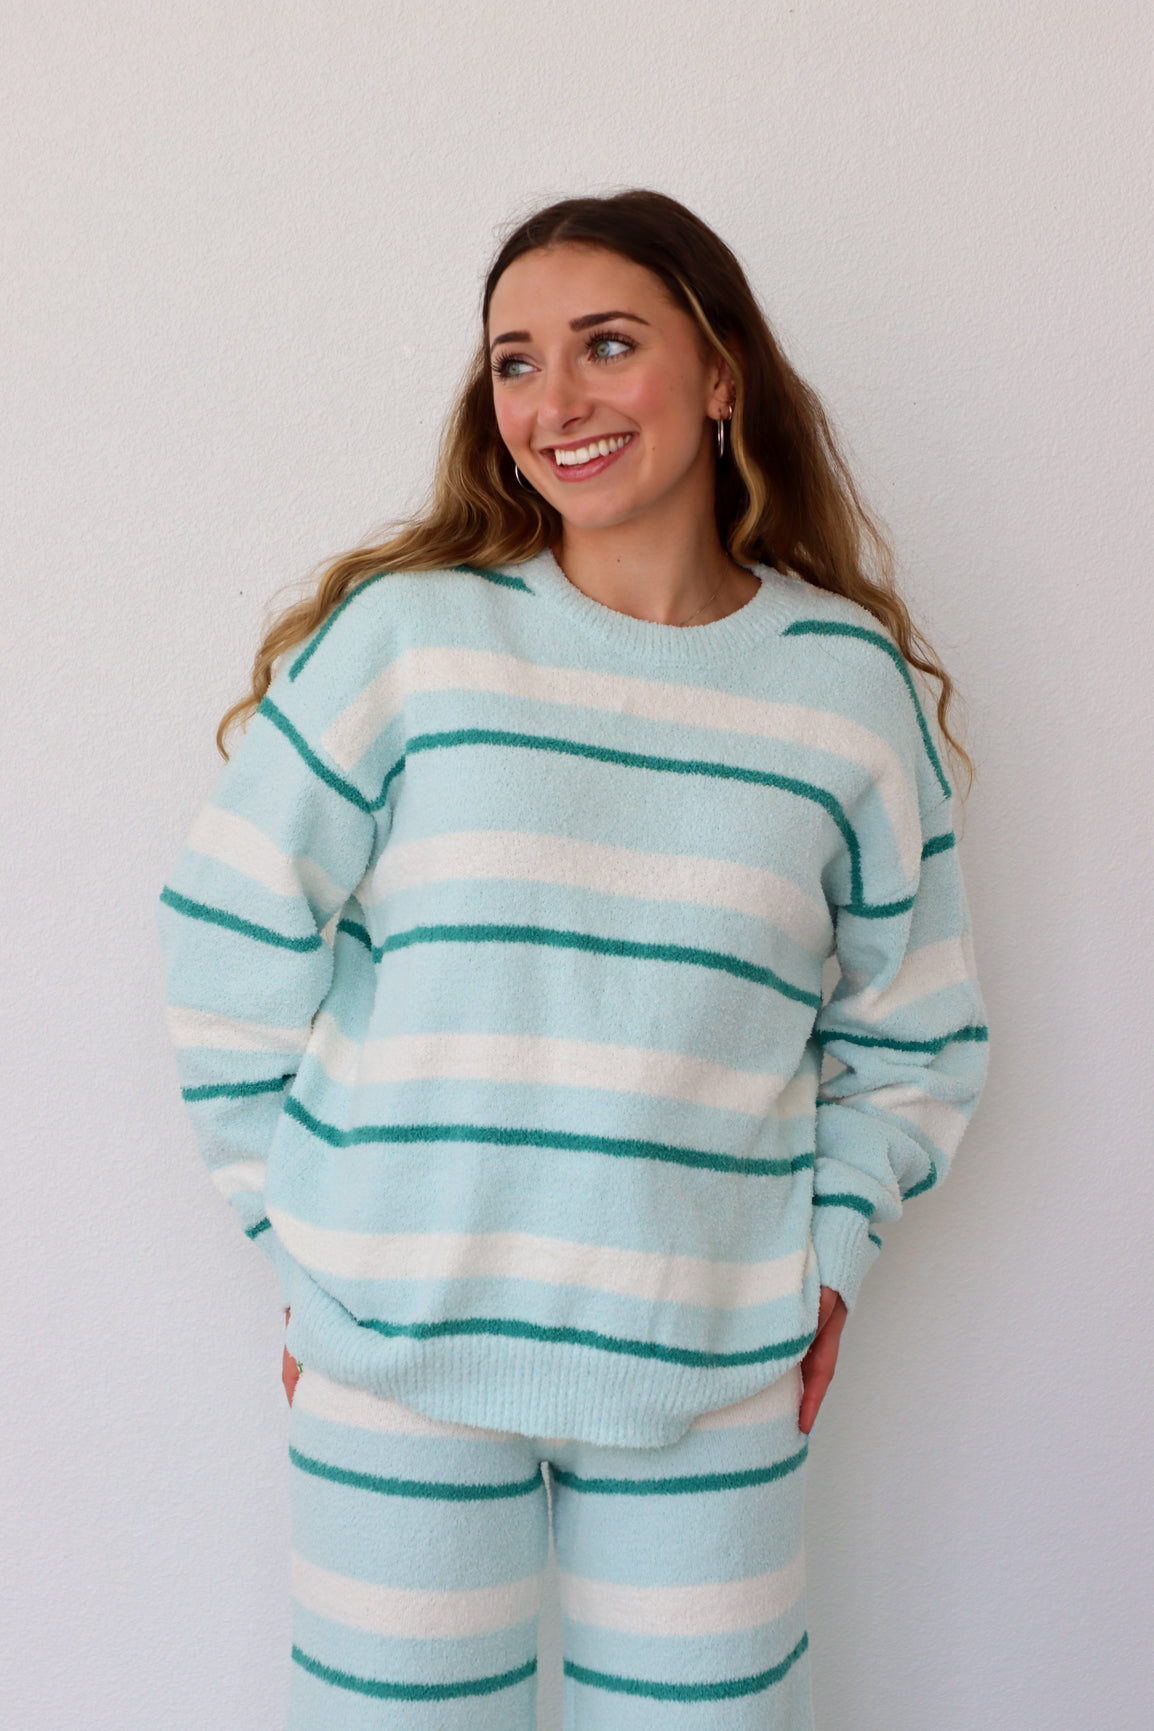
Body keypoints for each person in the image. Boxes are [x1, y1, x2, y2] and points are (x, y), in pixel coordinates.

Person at [157, 189, 989, 1730]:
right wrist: (303, 1240)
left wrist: (827, 1262)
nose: (555, 402)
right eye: (514, 363)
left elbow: (912, 1028)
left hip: (709, 1363)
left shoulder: (839, 687)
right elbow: (225, 930)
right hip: (397, 1364)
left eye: (607, 345)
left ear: (720, 372)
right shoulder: (412, 640)